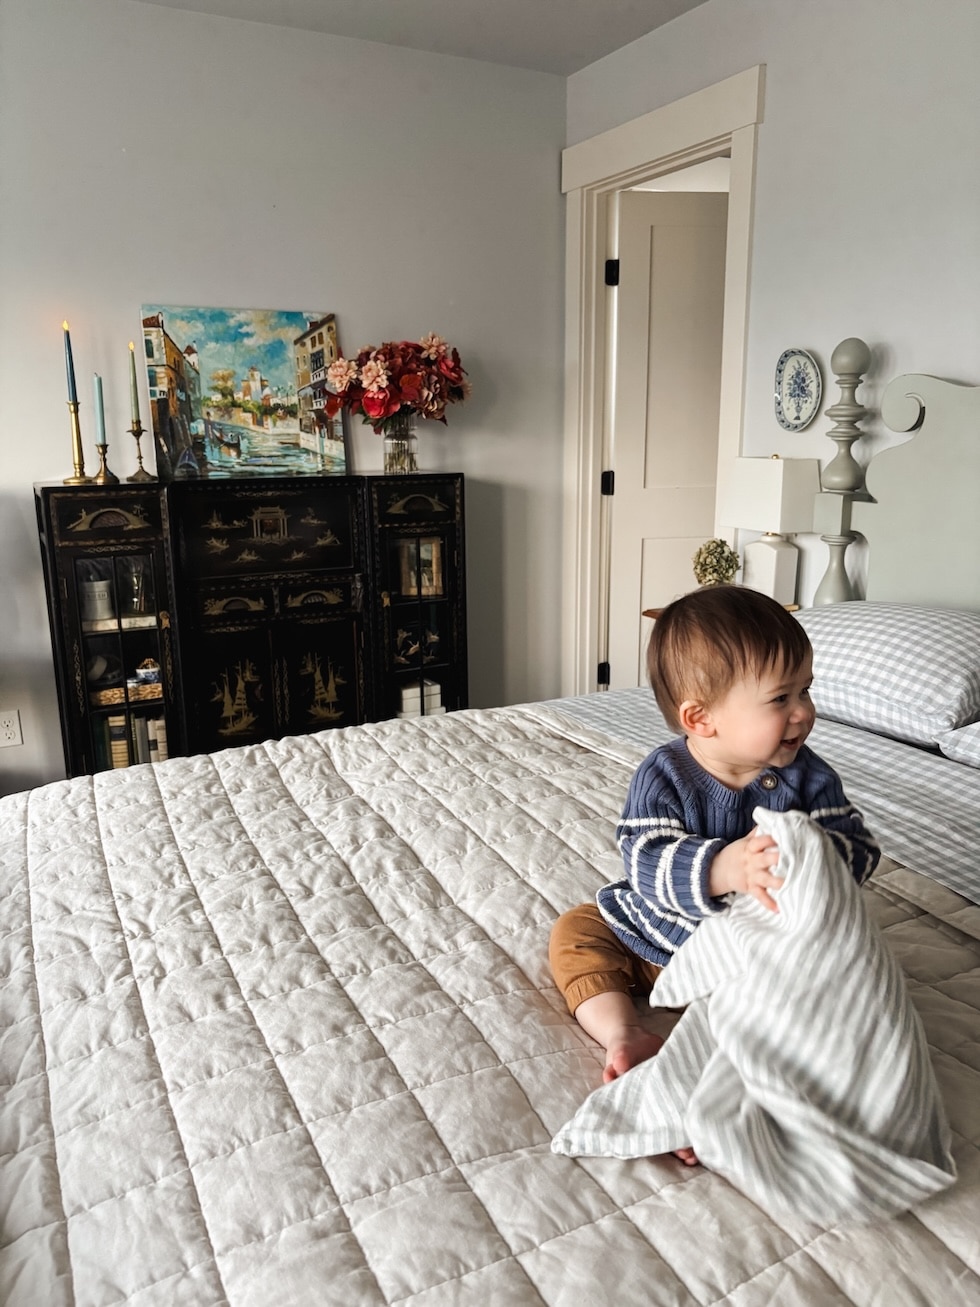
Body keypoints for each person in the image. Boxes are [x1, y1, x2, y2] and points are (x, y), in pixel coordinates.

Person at [549, 585, 880, 1162]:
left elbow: (856, 848)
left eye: (806, 690)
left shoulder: (808, 778)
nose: (804, 711)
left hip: (745, 961)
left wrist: (818, 858)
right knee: (576, 933)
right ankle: (623, 1032)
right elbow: (644, 859)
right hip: (654, 932)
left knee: (794, 1010)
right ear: (700, 718)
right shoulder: (665, 774)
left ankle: (713, 1096)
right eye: (781, 698)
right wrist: (723, 867)